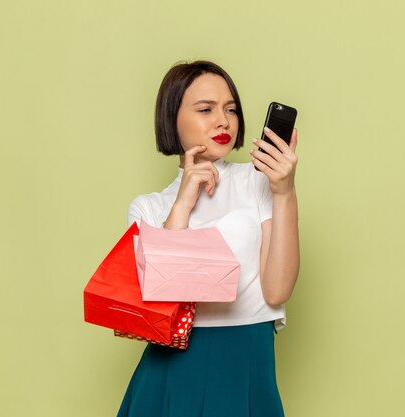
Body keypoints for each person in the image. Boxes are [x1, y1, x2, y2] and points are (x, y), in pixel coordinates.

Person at [117, 60, 300, 417]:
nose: (223, 121)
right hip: (171, 369)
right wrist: (183, 204)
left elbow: (277, 291)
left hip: (246, 361)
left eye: (230, 109)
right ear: (173, 118)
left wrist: (284, 193)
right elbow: (159, 304)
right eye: (206, 109)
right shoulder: (148, 209)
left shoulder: (259, 182)